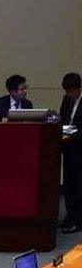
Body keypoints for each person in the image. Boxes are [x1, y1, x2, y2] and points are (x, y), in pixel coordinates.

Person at [60, 72, 82, 233]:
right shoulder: (66, 98)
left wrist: (72, 135)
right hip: (68, 148)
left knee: (78, 185)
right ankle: (69, 217)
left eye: (71, 92)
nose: (69, 95)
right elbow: (63, 119)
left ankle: (78, 220)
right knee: (68, 184)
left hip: (79, 148)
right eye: (67, 92)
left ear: (79, 88)